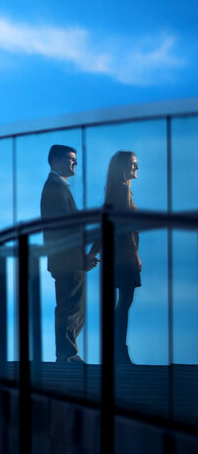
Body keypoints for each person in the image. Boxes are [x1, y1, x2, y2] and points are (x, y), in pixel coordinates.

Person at [40, 144, 97, 363]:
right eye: (70, 159)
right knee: (72, 307)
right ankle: (67, 353)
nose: (75, 163)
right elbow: (65, 230)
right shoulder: (55, 187)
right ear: (55, 160)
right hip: (67, 259)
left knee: (70, 306)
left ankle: (66, 352)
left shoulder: (56, 186)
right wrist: (81, 258)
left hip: (64, 258)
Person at [103, 150, 141, 364]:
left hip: (116, 257)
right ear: (123, 167)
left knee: (122, 303)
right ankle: (119, 351)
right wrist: (135, 256)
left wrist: (94, 252)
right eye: (133, 164)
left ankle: (118, 350)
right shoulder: (123, 189)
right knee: (124, 303)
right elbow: (126, 228)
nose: (136, 168)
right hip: (124, 258)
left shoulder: (113, 191)